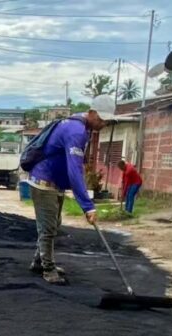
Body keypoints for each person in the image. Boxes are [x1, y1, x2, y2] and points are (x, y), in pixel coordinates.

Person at [26, 95, 114, 285]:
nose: (103, 124)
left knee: (53, 225)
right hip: (43, 181)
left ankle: (39, 262)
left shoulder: (80, 126)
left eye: (106, 121)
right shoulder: (76, 131)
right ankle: (48, 270)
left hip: (54, 183)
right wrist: (87, 206)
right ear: (91, 113)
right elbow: (75, 170)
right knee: (48, 227)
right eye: (100, 119)